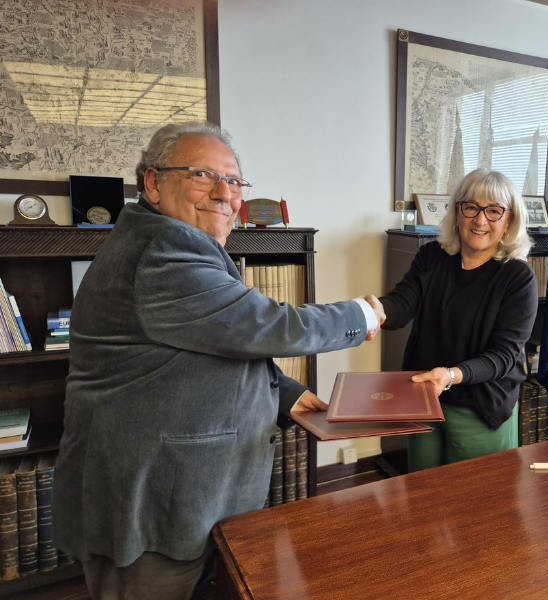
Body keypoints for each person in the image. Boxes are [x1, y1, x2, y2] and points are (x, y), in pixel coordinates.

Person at [53, 122, 385, 600]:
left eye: (233, 181)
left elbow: (217, 343)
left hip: (190, 498)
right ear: (153, 182)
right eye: (202, 175)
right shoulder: (164, 250)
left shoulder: (172, 240)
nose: (224, 194)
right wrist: (361, 314)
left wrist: (286, 395)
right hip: (151, 509)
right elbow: (269, 326)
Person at [368, 168, 537, 472]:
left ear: (509, 220)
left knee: (473, 498)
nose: (480, 220)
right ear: (457, 213)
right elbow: (402, 302)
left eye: (494, 211)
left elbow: (503, 356)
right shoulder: (432, 256)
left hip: (480, 407)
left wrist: (451, 375)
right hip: (425, 398)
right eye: (471, 207)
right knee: (422, 491)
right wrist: (378, 310)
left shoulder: (517, 277)